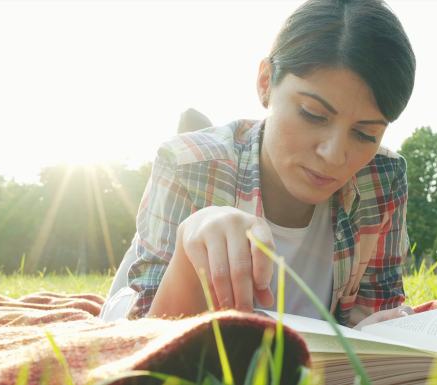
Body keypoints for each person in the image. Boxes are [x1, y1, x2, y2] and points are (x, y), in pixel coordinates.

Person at [101, 0, 416, 328]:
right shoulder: (185, 165)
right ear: (265, 82)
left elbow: (378, 309)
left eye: (365, 133)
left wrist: (374, 340)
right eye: (312, 114)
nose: (335, 155)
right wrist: (188, 250)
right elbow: (142, 340)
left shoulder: (381, 178)